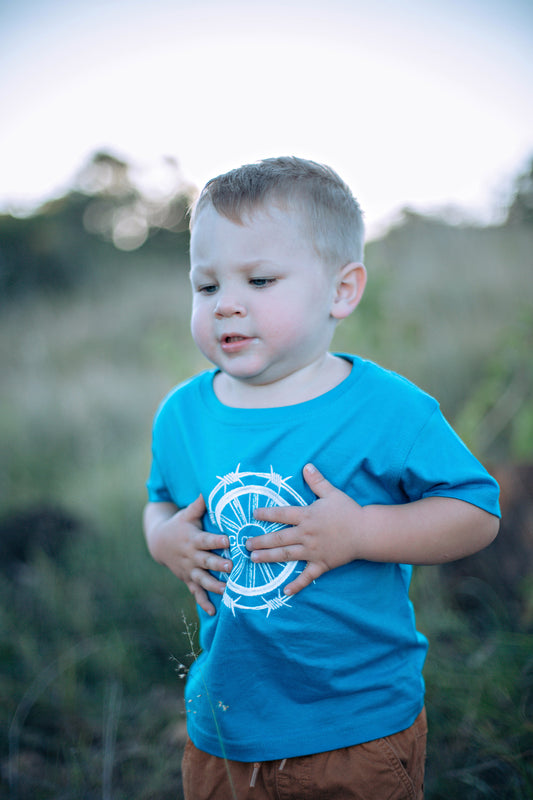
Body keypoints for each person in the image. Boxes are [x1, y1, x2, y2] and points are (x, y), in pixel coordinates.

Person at [143, 156, 500, 799]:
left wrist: (360, 531)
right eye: (206, 287)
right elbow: (161, 501)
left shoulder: (388, 409)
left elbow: (476, 513)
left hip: (355, 727)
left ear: (342, 290)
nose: (227, 305)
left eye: (259, 279)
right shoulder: (183, 415)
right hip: (226, 727)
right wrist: (162, 540)